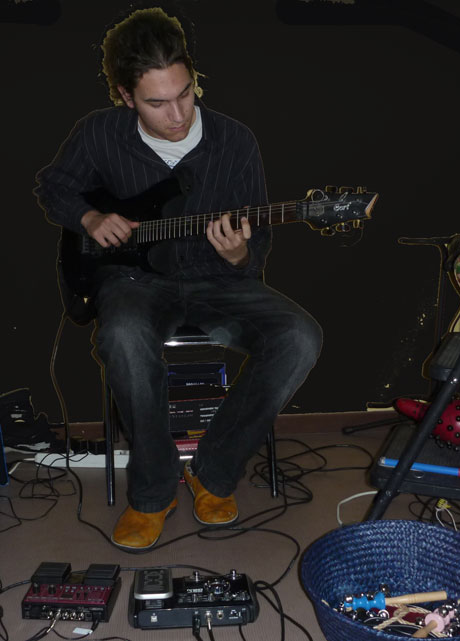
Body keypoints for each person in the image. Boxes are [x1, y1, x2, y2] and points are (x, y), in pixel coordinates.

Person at [35, 7, 322, 551]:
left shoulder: (236, 141)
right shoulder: (98, 133)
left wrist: (240, 254)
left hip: (219, 281)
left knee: (300, 336)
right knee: (122, 336)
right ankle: (153, 491)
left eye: (186, 94)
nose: (178, 115)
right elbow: (54, 187)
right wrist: (90, 218)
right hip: (133, 282)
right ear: (126, 96)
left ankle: (213, 471)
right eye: (157, 103)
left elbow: (257, 243)